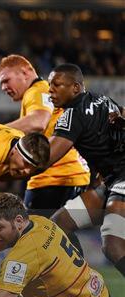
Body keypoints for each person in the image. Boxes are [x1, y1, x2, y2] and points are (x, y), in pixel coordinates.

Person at [46, 63, 125, 276]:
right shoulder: (101, 99)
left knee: (113, 245)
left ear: (75, 87)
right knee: (59, 224)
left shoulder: (72, 115)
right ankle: (81, 282)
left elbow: (47, 157)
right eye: (49, 85)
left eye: (56, 85)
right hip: (112, 179)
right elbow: (122, 116)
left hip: (121, 178)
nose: (50, 90)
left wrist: (17, 151)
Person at [0, 55, 90, 210]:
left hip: (53, 180)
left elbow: (38, 121)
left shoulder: (38, 90)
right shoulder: (43, 91)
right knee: (57, 232)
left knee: (34, 232)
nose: (3, 87)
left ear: (25, 72)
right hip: (70, 177)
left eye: (6, 80)